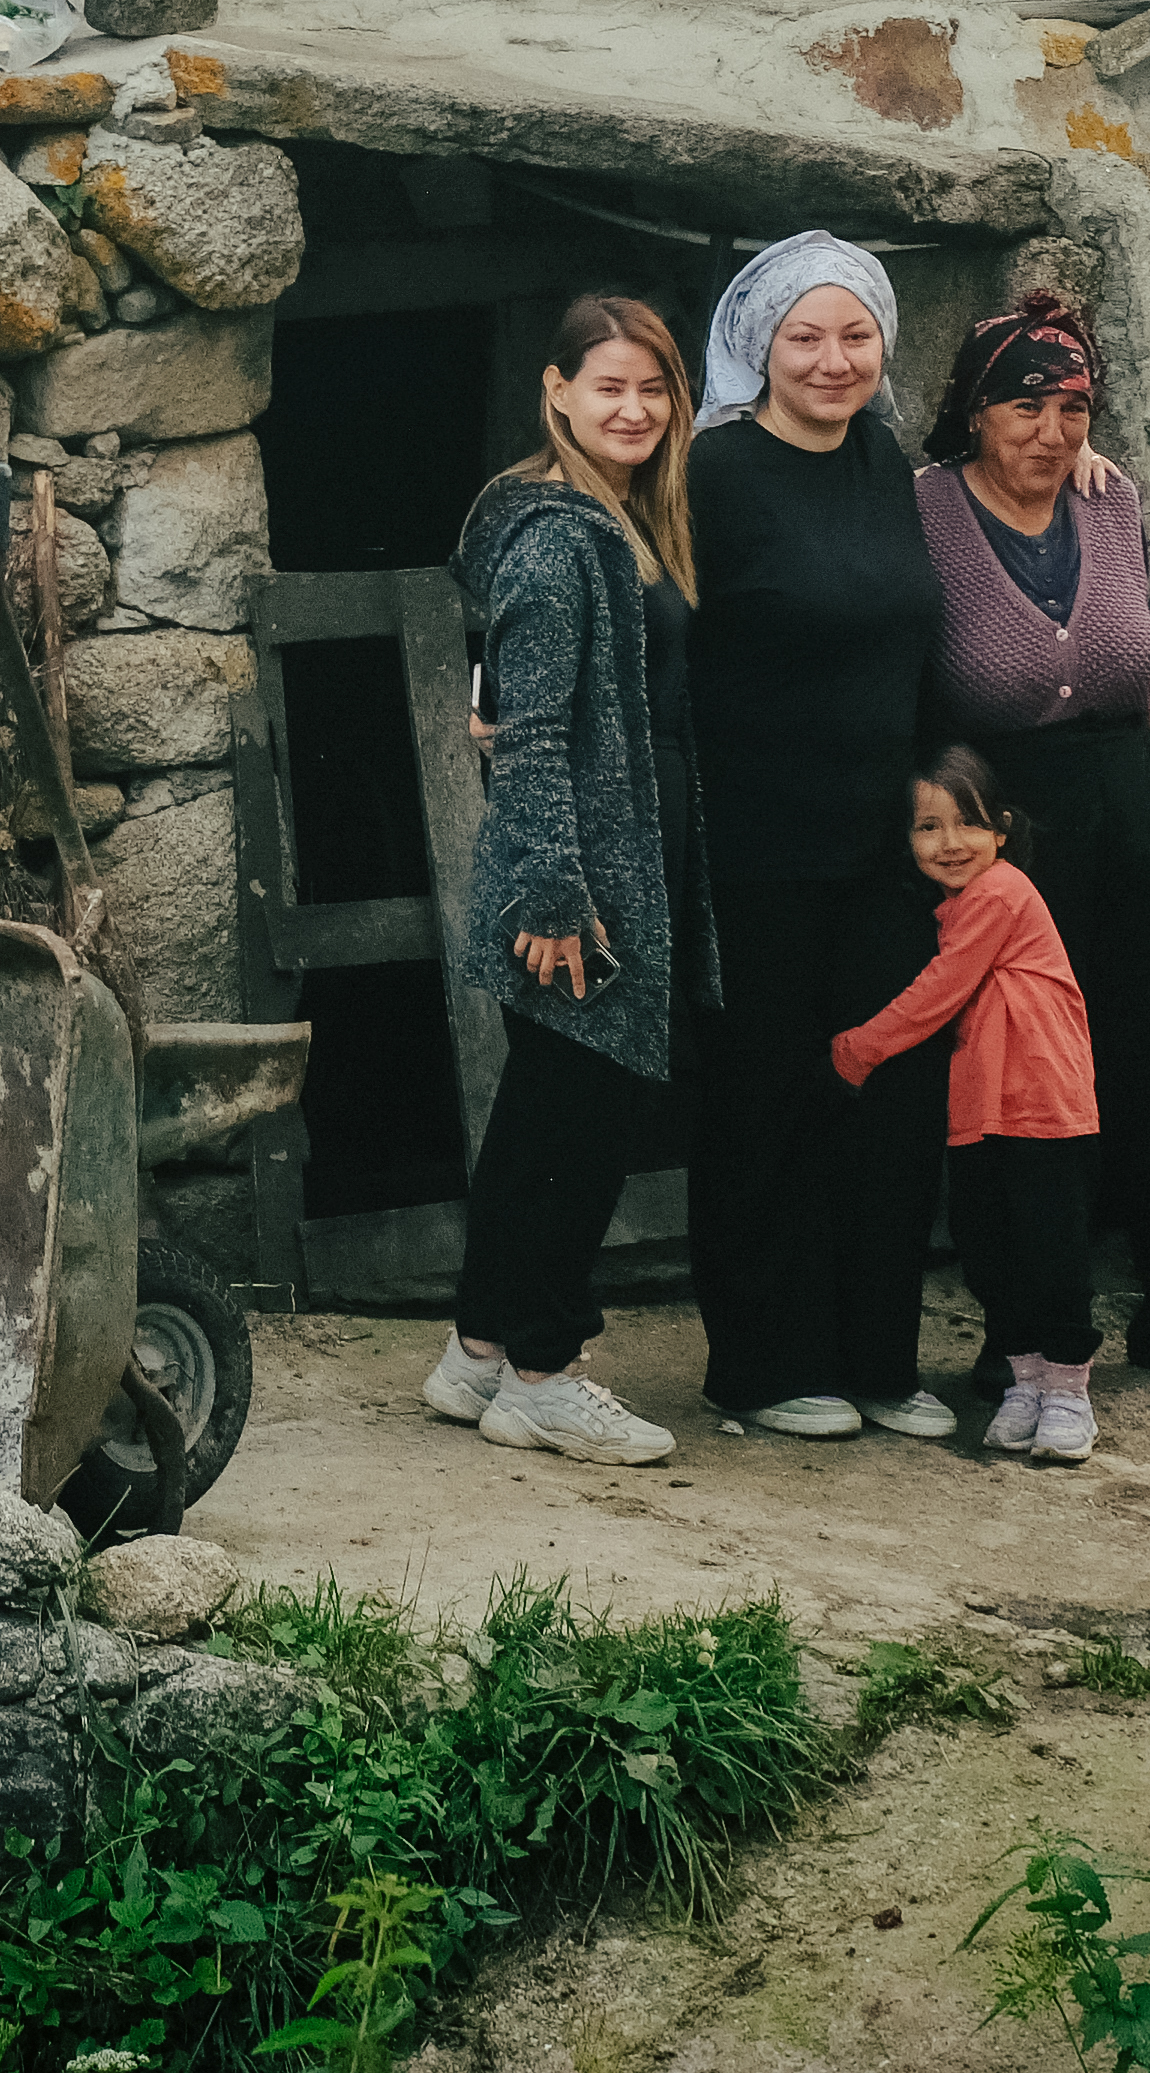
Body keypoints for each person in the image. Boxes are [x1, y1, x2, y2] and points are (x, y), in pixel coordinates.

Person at [915, 295, 1150, 1397]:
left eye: (1073, 405)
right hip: (1011, 831)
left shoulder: (1109, 499)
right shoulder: (922, 511)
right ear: (974, 411)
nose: (1052, 429)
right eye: (1026, 404)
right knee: (1021, 1082)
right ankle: (1017, 1329)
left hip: (1134, 812)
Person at [679, 232, 961, 1443]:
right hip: (757, 850)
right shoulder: (713, 472)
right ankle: (766, 1361)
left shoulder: (886, 459)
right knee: (766, 1100)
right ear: (758, 344)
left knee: (889, 1094)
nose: (833, 360)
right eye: (806, 336)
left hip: (882, 851)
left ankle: (878, 1357)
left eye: (855, 335)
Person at [429, 291, 704, 1468]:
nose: (633, 407)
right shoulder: (559, 539)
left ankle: (480, 1348)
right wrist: (553, 893)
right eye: (609, 386)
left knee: (541, 1115)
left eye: (653, 387)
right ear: (557, 391)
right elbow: (530, 732)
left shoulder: (627, 517)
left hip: (608, 862)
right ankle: (545, 1370)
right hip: (584, 878)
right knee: (581, 1126)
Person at [828, 745, 1108, 1460]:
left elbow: (942, 991)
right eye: (928, 827)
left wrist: (860, 1046)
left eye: (968, 824)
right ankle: (1024, 1379)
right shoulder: (954, 904)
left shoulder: (1001, 893)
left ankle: (1069, 1387)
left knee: (1051, 1245)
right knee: (989, 1250)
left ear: (1002, 830)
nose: (950, 844)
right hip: (982, 1110)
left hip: (1041, 1100)